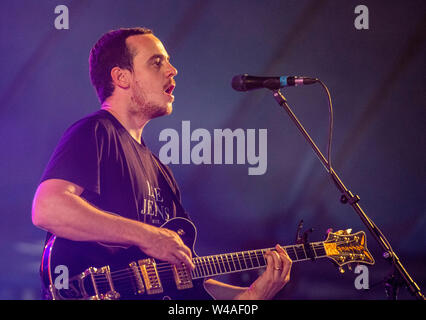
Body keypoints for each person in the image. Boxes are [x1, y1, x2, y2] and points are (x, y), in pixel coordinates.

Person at [31, 27, 292, 300]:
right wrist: (147, 236)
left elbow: (185, 280)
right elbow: (48, 208)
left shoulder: (161, 173)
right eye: (157, 62)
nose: (172, 70)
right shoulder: (96, 131)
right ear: (121, 77)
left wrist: (255, 295)